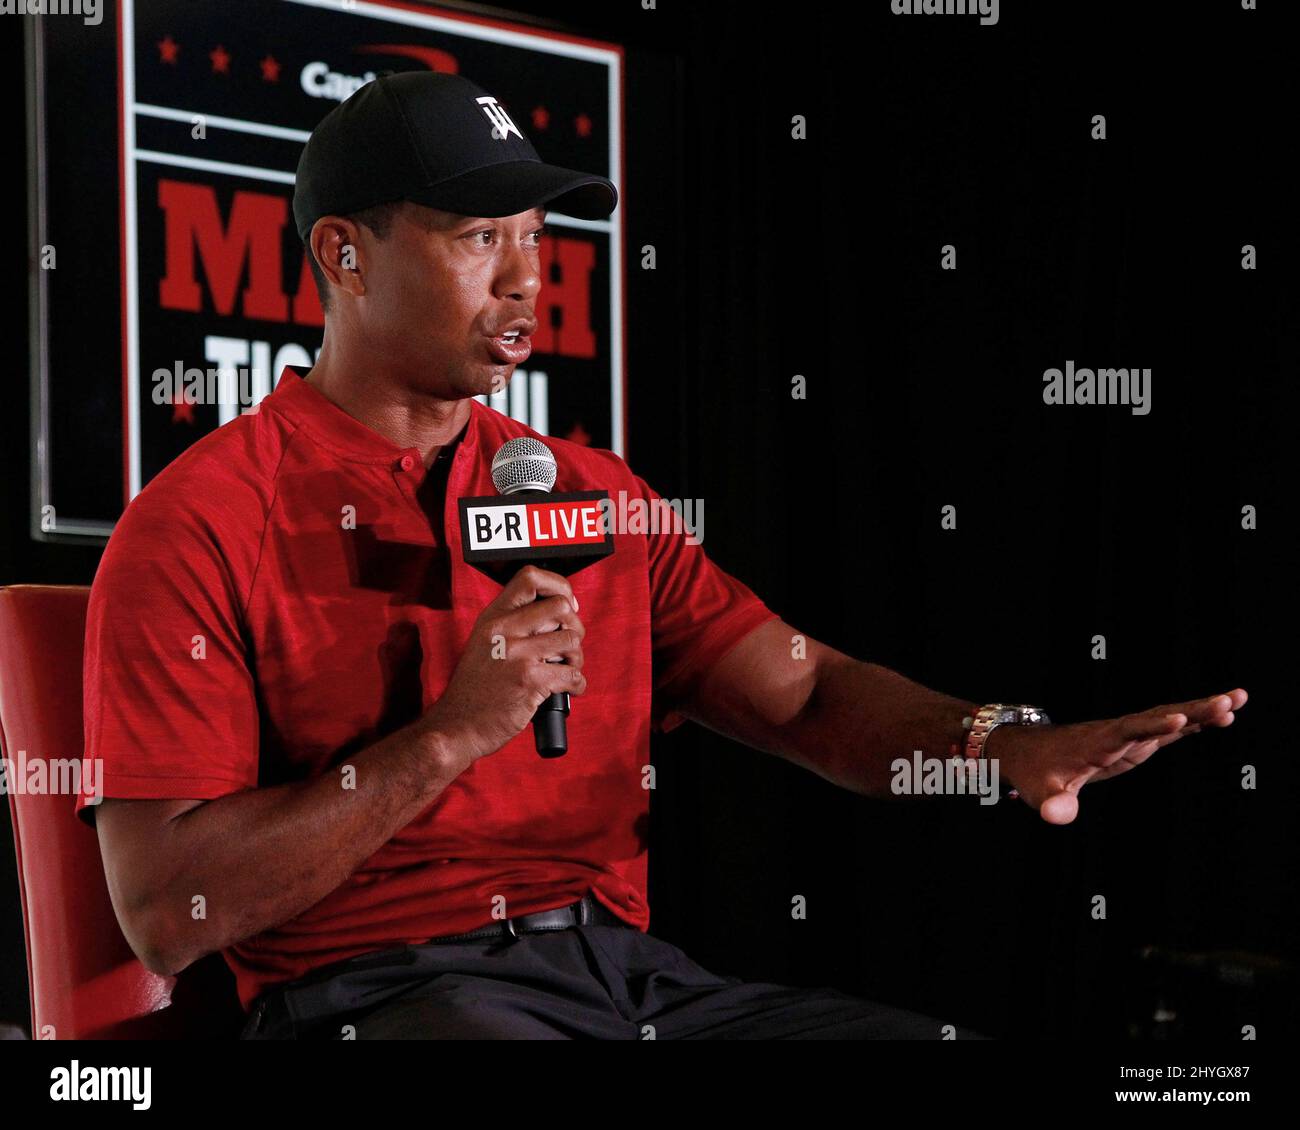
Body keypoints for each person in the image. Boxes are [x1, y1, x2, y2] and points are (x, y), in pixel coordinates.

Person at [76, 72, 1247, 1040]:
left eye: (535, 236)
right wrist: (451, 733)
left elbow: (807, 693)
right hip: (378, 997)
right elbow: (167, 914)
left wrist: (999, 740)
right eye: (481, 236)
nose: (529, 277)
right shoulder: (199, 522)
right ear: (345, 255)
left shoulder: (593, 493)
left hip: (631, 983)